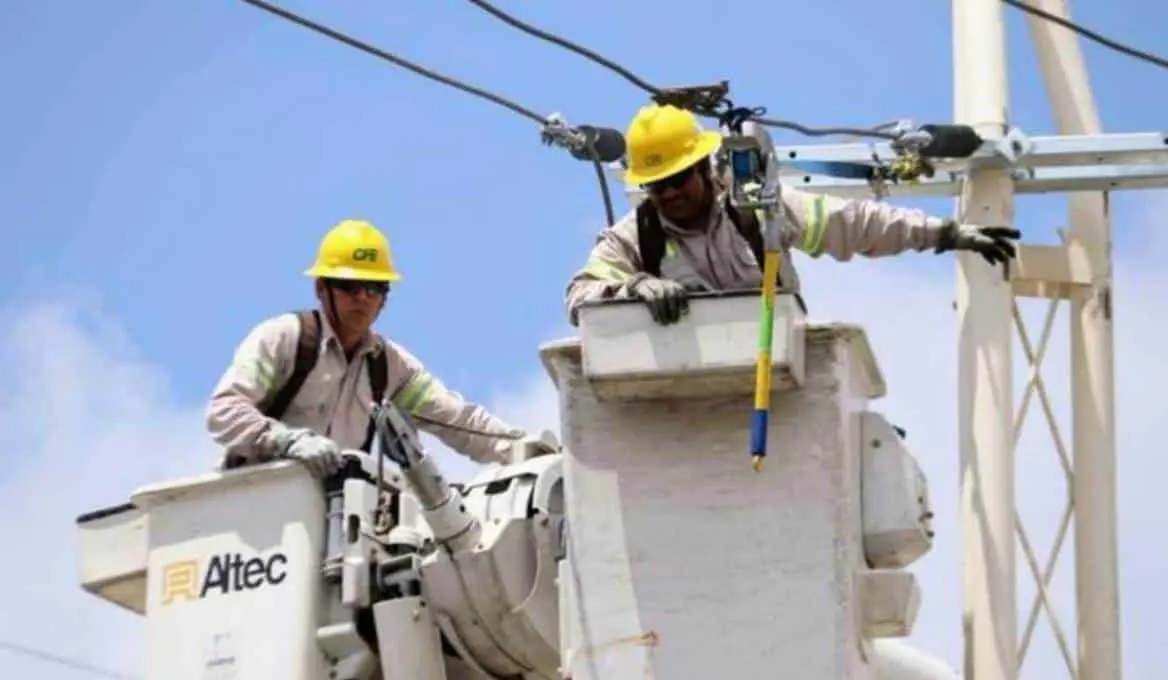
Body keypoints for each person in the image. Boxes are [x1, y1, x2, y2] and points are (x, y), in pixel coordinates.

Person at [564, 104, 1021, 326]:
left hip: (772, 371)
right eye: (656, 185)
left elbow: (856, 224)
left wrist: (947, 233)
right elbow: (579, 296)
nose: (668, 194)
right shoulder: (634, 237)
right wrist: (634, 285)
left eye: (678, 179)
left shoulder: (758, 213)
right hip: (687, 388)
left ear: (703, 167)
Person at [206, 218, 537, 476]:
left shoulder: (389, 367)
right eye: (350, 286)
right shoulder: (284, 339)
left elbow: (458, 420)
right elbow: (224, 411)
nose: (363, 297)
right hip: (259, 507)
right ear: (322, 289)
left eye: (375, 287)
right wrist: (287, 441)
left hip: (328, 525)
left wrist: (524, 451)